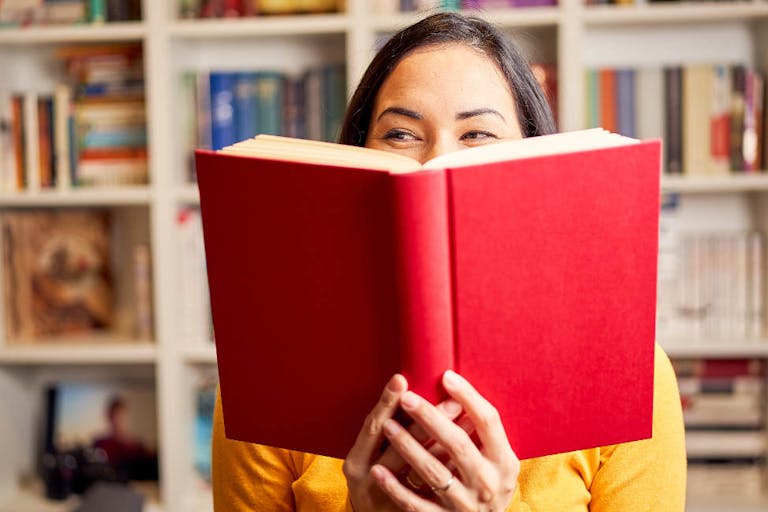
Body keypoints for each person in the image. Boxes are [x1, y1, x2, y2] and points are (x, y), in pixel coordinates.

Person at [211, 11, 686, 511]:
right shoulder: (270, 380)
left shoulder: (630, 378)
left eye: (478, 134)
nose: (435, 161)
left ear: (535, 160)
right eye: (400, 134)